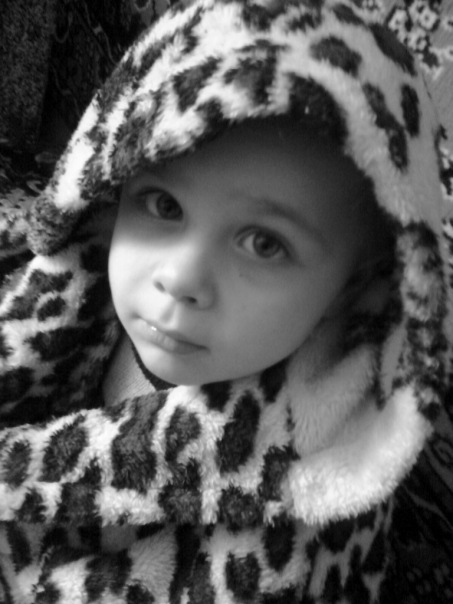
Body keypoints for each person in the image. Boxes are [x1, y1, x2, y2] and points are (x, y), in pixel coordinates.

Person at [0, 0, 451, 602]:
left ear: (359, 284)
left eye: (264, 243)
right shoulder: (71, 296)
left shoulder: (307, 496)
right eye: (163, 205)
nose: (179, 278)